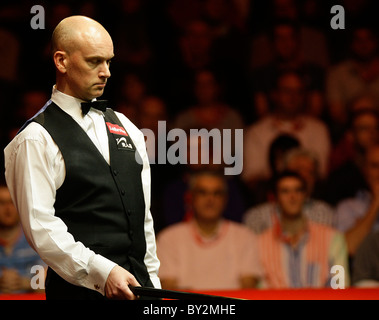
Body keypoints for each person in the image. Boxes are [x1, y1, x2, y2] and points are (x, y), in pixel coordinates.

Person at [3, 16, 160, 300]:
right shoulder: (34, 139)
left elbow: (142, 221)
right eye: (94, 62)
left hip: (140, 294)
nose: (106, 72)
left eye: (109, 62)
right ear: (61, 62)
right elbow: (41, 229)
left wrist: (154, 288)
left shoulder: (128, 128)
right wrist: (102, 270)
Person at [157, 170, 262, 290]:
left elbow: (248, 288)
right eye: (203, 192)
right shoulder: (169, 238)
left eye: (217, 193)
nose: (210, 199)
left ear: (225, 199)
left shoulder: (245, 236)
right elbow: (168, 289)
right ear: (190, 198)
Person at [255, 171, 349, 288]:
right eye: (285, 191)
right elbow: (260, 290)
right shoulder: (260, 244)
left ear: (305, 195)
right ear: (275, 198)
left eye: (298, 190)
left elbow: (340, 285)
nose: (292, 197)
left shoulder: (332, 238)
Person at [242, 70, 331, 187]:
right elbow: (251, 177)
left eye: (299, 91)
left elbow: (320, 174)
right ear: (274, 94)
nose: (293, 97)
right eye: (287, 91)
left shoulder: (319, 129)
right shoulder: (255, 132)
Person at [244, 147, 334, 234]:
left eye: (310, 172)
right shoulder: (257, 216)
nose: (305, 177)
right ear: (283, 174)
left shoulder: (323, 212)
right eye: (299, 170)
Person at [0, 180, 45, 293]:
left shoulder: (36, 240)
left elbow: (49, 285)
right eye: (1, 203)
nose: (8, 209)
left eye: (12, 202)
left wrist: (25, 283)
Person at [335, 144, 379, 257]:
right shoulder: (349, 207)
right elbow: (348, 248)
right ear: (365, 171)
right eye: (375, 166)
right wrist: (376, 203)